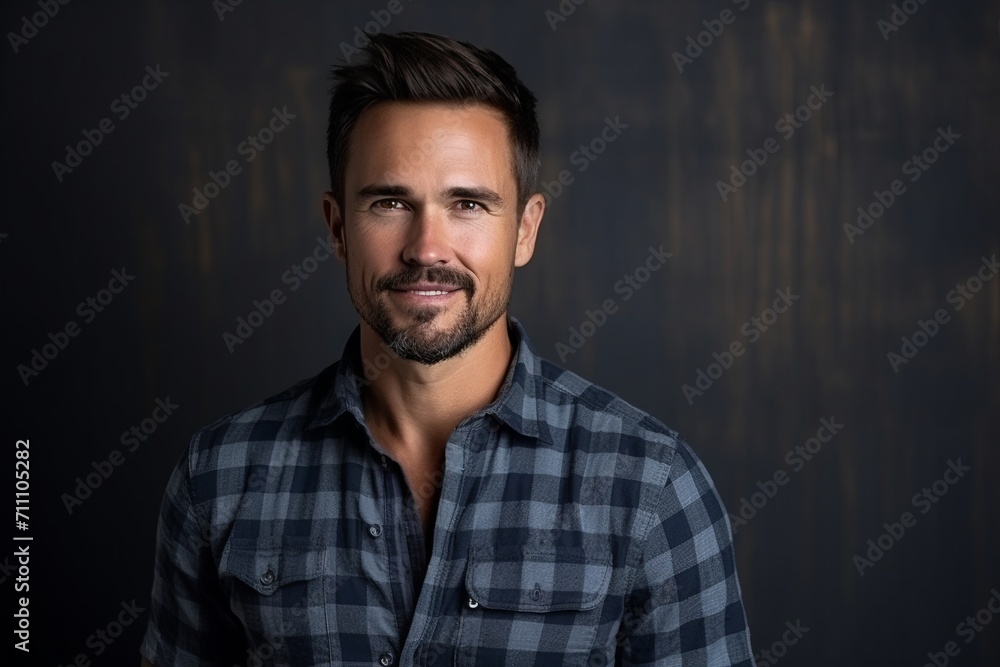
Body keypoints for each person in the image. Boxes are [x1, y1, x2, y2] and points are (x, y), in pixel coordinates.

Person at [139, 31, 754, 667]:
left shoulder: (653, 486)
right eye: (389, 202)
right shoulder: (219, 478)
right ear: (338, 228)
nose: (427, 248)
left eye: (467, 204)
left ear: (524, 229)